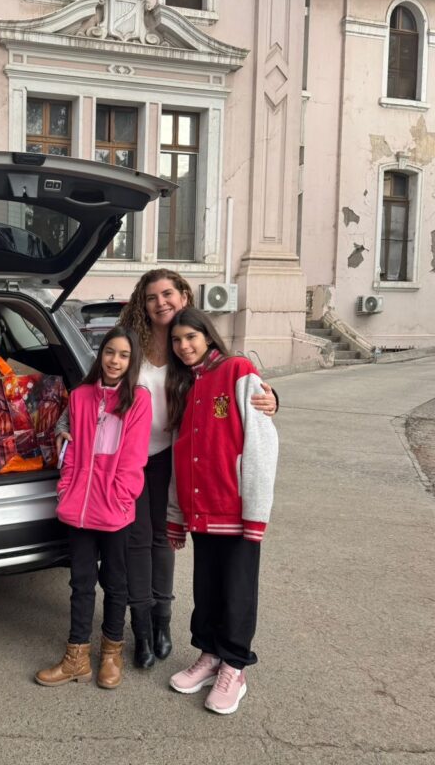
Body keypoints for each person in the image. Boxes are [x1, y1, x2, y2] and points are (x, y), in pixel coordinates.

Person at [57, 270, 278, 668]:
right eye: (152, 296)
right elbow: (93, 387)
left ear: (184, 296)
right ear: (142, 303)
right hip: (126, 459)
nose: (161, 302)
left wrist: (271, 396)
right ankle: (141, 627)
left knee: (164, 540)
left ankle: (162, 621)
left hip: (171, 455)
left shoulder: (190, 346)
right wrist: (63, 424)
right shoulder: (130, 342)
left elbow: (229, 381)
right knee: (137, 541)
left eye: (168, 294)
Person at [164, 307, 278, 715]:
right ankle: (210, 655)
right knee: (207, 588)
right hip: (201, 510)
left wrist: (256, 513)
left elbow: (262, 446)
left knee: (237, 591)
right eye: (176, 341)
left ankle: (234, 665)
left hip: (236, 509)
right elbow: (180, 457)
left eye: (190, 337)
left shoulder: (238, 371)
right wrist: (176, 516)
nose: (184, 346)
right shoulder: (185, 387)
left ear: (208, 336)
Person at [35, 326, 152, 690]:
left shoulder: (138, 400)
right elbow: (69, 446)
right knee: (81, 582)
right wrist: (66, 487)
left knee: (115, 582)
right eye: (109, 352)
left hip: (114, 508)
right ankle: (77, 657)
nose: (115, 361)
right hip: (79, 508)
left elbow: (134, 457)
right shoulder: (81, 396)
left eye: (124, 355)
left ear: (132, 362)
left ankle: (112, 652)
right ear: (100, 355)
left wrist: (121, 496)